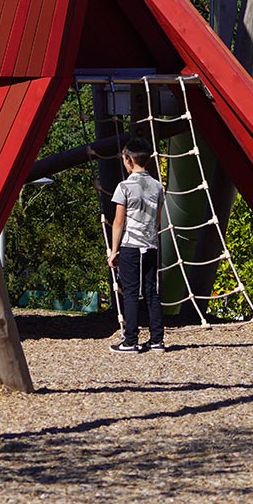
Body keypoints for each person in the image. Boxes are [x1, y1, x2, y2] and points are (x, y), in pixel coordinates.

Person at [108, 136, 165, 353]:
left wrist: (114, 251)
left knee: (131, 292)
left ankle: (130, 340)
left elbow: (118, 221)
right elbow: (158, 219)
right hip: (150, 245)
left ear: (129, 159)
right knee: (151, 291)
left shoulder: (124, 187)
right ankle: (157, 339)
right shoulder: (157, 186)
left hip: (131, 245)